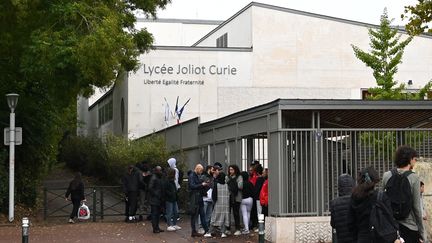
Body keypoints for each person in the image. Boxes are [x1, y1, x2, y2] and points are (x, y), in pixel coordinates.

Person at [382, 145, 425, 243]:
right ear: (410, 160)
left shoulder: (387, 175)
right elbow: (416, 208)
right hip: (409, 227)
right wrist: (422, 233)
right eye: (414, 159)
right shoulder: (414, 178)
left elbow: (383, 201)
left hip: (391, 227)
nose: (415, 161)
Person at [350, 166, 397, 243]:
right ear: (375, 180)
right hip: (380, 237)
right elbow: (390, 218)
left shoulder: (354, 197)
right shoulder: (381, 196)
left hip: (362, 237)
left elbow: (350, 222)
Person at [329, 174, 355, 243]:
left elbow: (333, 224)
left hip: (341, 239)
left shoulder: (334, 203)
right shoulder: (357, 200)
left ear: (339, 187)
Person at [189, 164, 211, 238]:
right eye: (201, 170)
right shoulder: (192, 175)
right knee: (195, 216)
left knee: (202, 215)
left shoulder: (195, 175)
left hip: (198, 198)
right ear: (197, 169)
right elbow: (192, 186)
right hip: (195, 198)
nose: (201, 172)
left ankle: (206, 230)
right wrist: (202, 184)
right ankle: (194, 231)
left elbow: (196, 185)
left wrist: (203, 185)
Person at [209, 165, 230, 238]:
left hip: (218, 203)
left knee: (214, 217)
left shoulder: (217, 184)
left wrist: (214, 201)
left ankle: (210, 232)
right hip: (226, 204)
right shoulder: (227, 185)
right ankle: (223, 233)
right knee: (224, 218)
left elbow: (214, 195)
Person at [227, 164, 243, 236]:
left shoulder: (239, 177)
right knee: (228, 213)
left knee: (236, 213)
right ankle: (227, 228)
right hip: (229, 197)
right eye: (230, 169)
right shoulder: (227, 177)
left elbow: (240, 186)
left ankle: (238, 229)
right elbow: (225, 186)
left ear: (235, 170)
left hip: (237, 198)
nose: (231, 171)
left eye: (232, 169)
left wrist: (231, 183)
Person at [149, 166, 165, 233]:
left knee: (157, 214)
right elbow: (150, 188)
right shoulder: (154, 178)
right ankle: (155, 228)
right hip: (155, 199)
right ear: (156, 171)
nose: (161, 172)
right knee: (155, 214)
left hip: (158, 199)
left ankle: (157, 227)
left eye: (161, 170)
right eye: (159, 170)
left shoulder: (158, 177)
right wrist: (156, 194)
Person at [252, 164, 265, 232]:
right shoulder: (263, 179)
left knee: (259, 213)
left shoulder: (259, 179)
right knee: (261, 212)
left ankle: (261, 227)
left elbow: (256, 189)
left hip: (258, 198)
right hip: (262, 197)